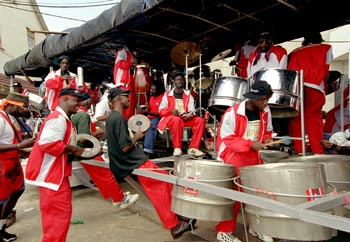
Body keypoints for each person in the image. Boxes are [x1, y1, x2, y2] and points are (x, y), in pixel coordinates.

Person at [106, 87, 196, 240]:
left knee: (165, 181)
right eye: (126, 96)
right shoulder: (118, 119)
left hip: (128, 161)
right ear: (119, 99)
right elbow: (125, 147)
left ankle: (179, 216)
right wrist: (137, 137)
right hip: (131, 162)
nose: (129, 99)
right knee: (159, 186)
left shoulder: (112, 118)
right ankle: (174, 226)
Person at [215, 81, 274, 242]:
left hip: (253, 155)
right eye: (263, 99)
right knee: (234, 195)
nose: (265, 103)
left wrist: (267, 139)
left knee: (258, 193)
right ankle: (224, 231)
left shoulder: (266, 111)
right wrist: (250, 144)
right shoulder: (232, 113)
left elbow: (268, 131)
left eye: (267, 99)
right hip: (233, 155)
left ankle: (256, 227)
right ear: (254, 98)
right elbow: (227, 138)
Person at [25, 88, 86, 242]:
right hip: (51, 176)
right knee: (57, 219)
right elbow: (48, 143)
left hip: (56, 176)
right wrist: (74, 148)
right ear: (64, 99)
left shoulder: (63, 118)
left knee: (57, 219)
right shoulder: (58, 118)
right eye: (76, 100)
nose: (79, 105)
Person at [71, 92, 139, 208]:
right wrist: (97, 133)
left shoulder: (76, 115)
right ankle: (120, 199)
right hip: (88, 152)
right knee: (106, 175)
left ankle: (114, 196)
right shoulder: (83, 116)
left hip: (83, 152)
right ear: (88, 102)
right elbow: (83, 139)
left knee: (100, 177)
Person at [288, 32, 333, 154]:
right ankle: (318, 151)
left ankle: (300, 150)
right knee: (313, 120)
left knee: (296, 120)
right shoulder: (326, 48)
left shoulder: (294, 52)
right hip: (315, 88)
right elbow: (326, 70)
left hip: (297, 88)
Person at [0, 92, 36, 242]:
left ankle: (1, 227)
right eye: (22, 108)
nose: (24, 111)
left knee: (18, 191)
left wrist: (20, 151)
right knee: (1, 199)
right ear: (12, 105)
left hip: (13, 163)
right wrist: (19, 145)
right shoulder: (0, 119)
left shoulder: (12, 118)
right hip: (2, 165)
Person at [158, 71, 206, 157]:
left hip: (185, 118)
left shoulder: (188, 95)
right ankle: (177, 148)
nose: (179, 81)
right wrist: (171, 110)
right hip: (172, 118)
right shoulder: (167, 95)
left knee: (200, 121)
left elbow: (192, 110)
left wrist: (190, 114)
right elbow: (161, 110)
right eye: (177, 80)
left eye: (181, 80)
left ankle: (193, 148)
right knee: (177, 120)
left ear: (183, 81)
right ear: (174, 81)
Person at [143, 81, 166, 158]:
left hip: (159, 118)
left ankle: (148, 150)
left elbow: (159, 113)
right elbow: (149, 109)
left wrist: (147, 112)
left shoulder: (163, 98)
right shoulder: (152, 97)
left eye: (153, 90)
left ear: (158, 90)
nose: (151, 91)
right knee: (138, 124)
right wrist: (147, 108)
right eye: (151, 89)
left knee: (150, 127)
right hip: (150, 117)